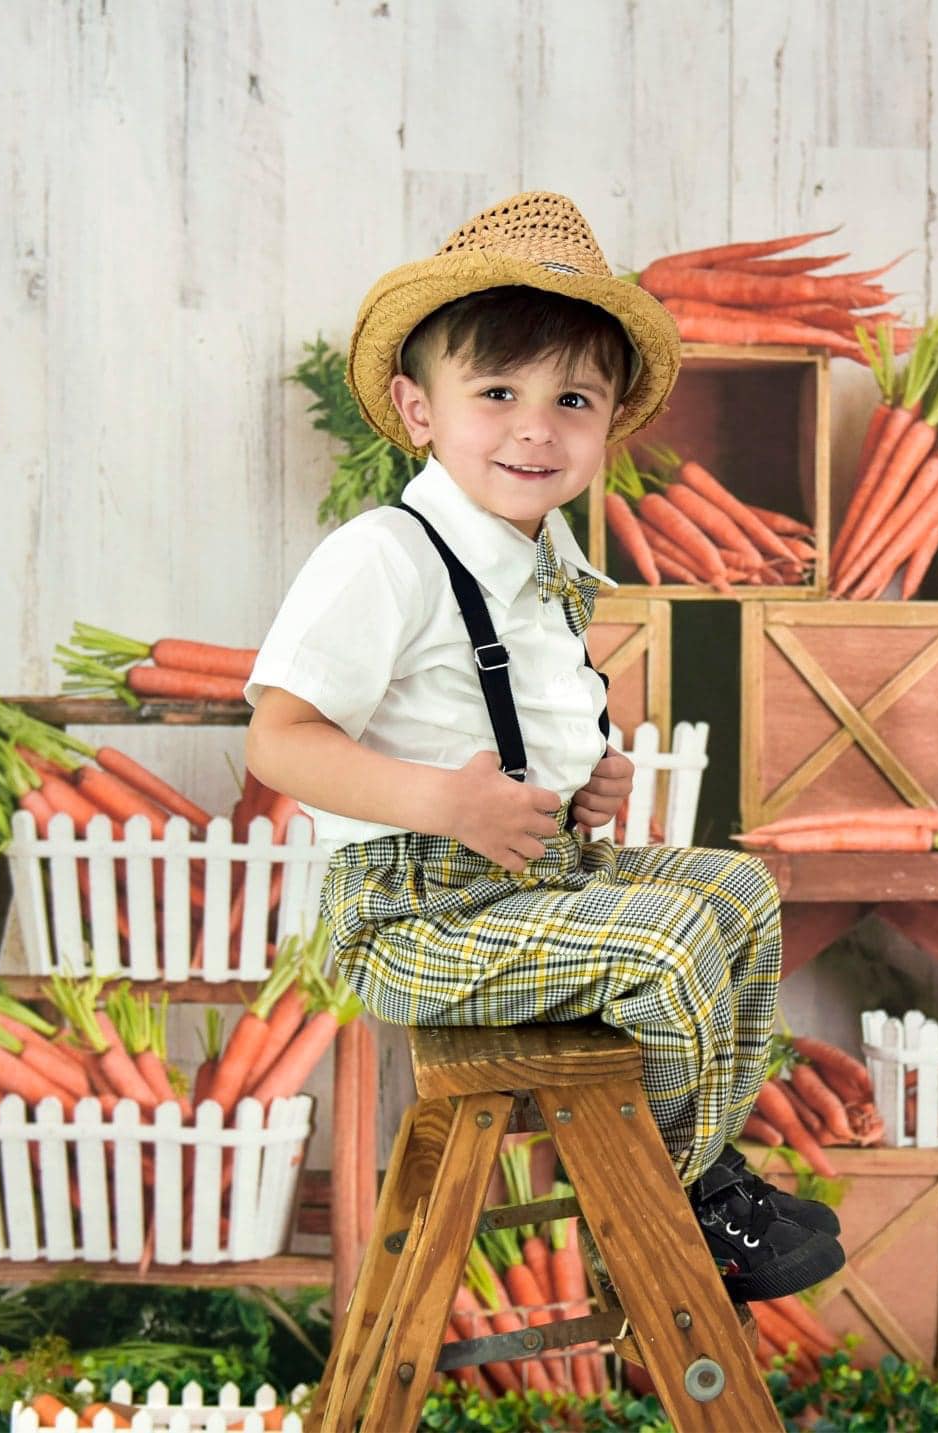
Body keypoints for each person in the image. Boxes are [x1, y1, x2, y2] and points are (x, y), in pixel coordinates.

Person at [243, 191, 844, 1301]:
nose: (536, 426)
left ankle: (702, 1166)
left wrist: (584, 779)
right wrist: (446, 803)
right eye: (497, 392)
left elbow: (509, 712)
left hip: (526, 880)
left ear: (609, 420)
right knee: (667, 948)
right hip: (411, 910)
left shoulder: (544, 555)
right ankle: (672, 1213)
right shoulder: (386, 553)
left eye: (572, 397)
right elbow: (279, 742)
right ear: (416, 408)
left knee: (738, 892)